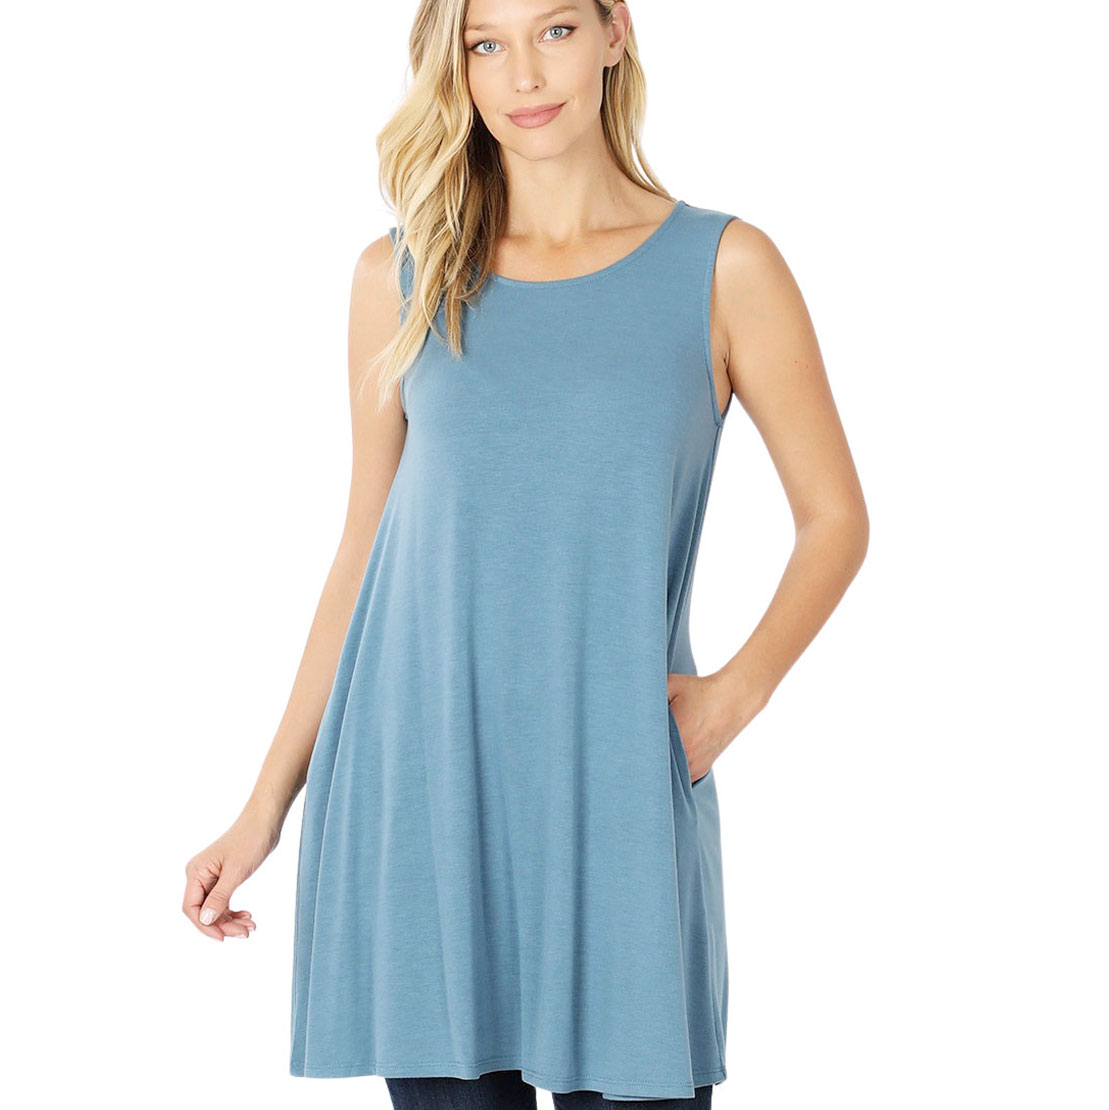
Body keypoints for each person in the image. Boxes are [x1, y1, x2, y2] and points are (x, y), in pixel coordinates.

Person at [182, 1, 869, 1108]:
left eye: (552, 30)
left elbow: (834, 518)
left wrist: (730, 700)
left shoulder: (723, 266)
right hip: (423, 790)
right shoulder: (396, 277)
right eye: (483, 44)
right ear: (454, 65)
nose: (522, 76)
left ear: (613, 31)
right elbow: (364, 549)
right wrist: (265, 806)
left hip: (617, 788)